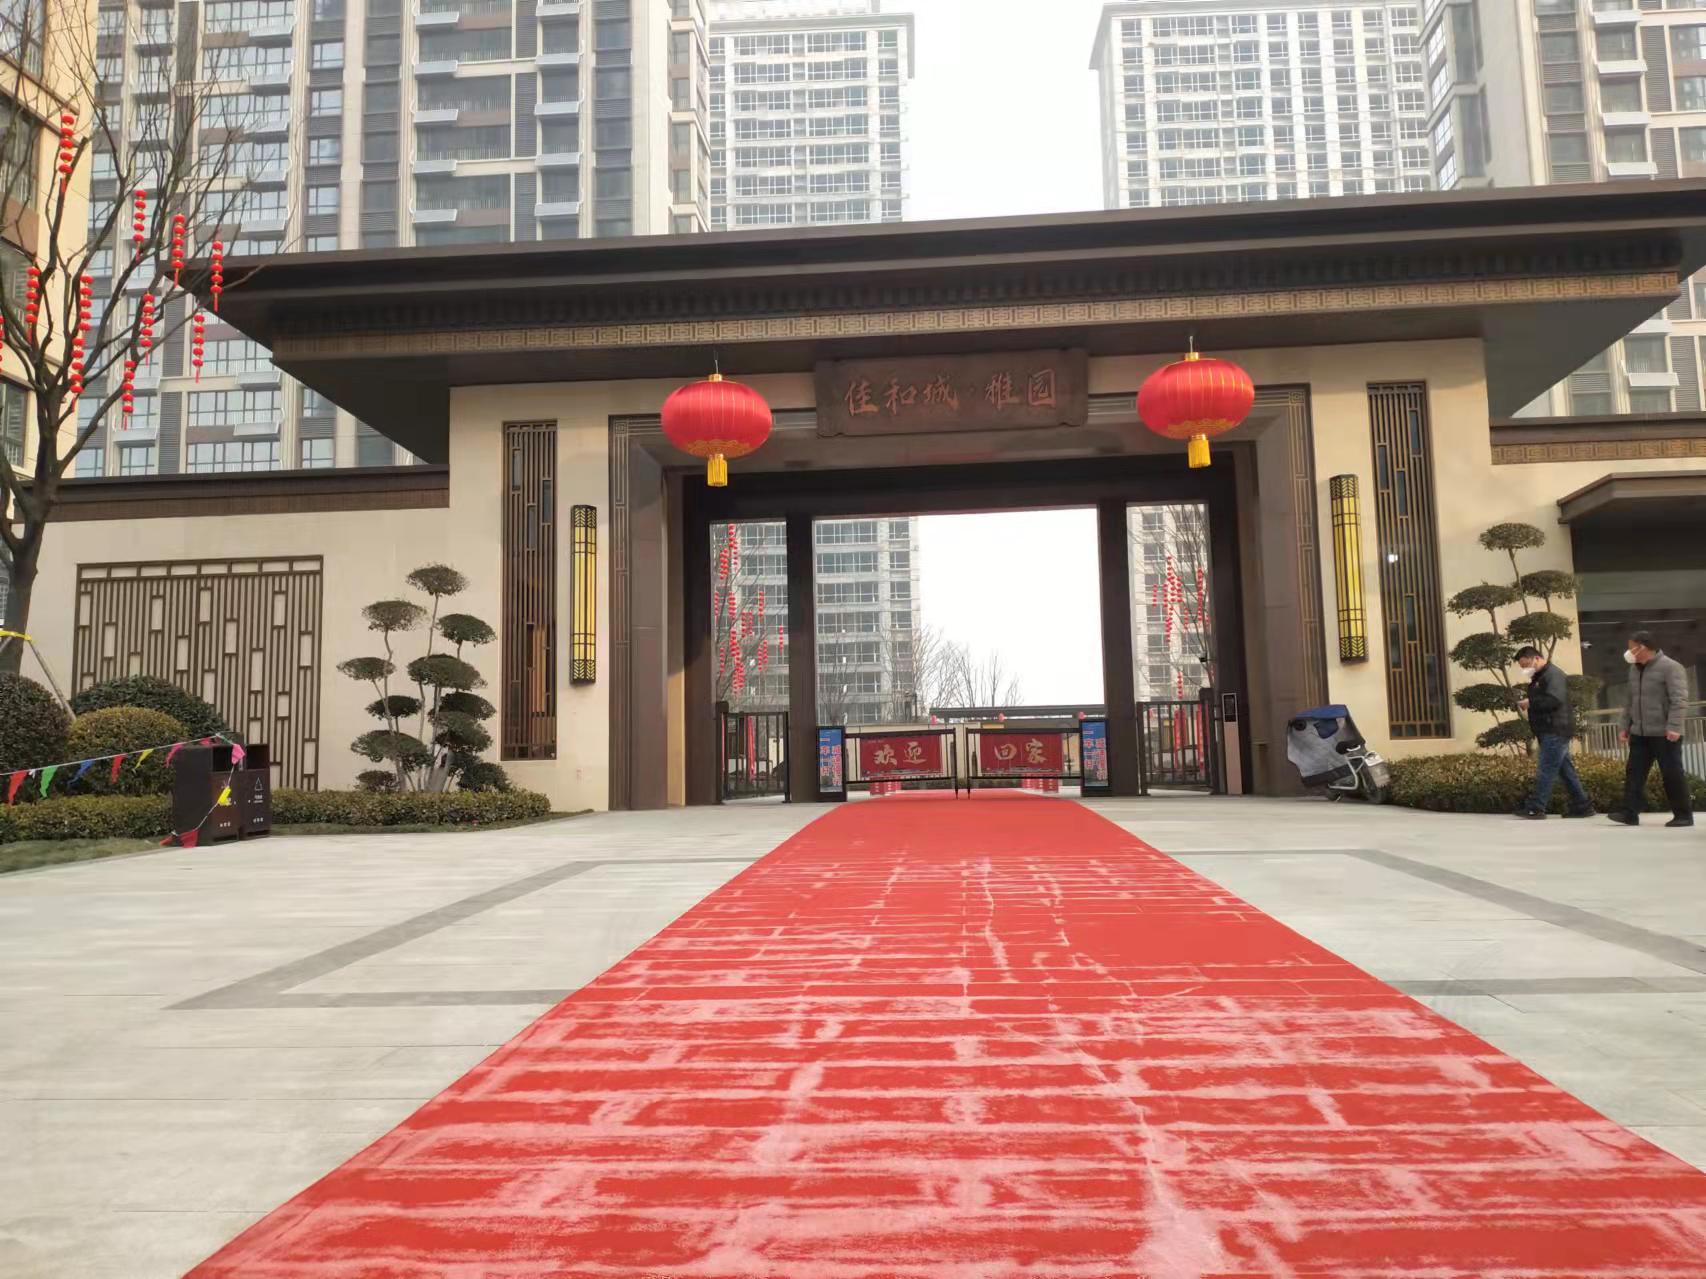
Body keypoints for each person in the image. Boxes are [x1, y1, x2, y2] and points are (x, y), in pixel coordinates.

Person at [1609, 629, 1694, 829]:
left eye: (1631, 648)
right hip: (1639, 732)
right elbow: (1630, 701)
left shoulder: (1671, 667)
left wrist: (1674, 726)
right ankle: (1629, 813)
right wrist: (1625, 726)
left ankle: (1683, 815)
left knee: (1672, 774)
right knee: (1634, 773)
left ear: (1643, 648)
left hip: (1665, 733)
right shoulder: (1634, 669)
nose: (1628, 652)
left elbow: (1679, 700)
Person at [1513, 645, 1594, 820]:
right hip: (1550, 729)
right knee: (1565, 771)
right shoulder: (1541, 676)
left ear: (1536, 658)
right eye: (1522, 666)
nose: (1525, 669)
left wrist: (1530, 702)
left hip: (1555, 729)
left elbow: (1554, 700)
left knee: (1546, 769)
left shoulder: (1553, 675)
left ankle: (1536, 807)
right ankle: (1582, 805)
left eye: (1526, 664)